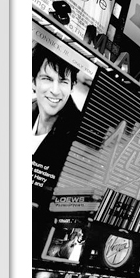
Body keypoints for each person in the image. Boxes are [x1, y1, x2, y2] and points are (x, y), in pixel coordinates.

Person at [32, 44, 84, 255]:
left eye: (63, 81)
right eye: (47, 79)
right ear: (33, 82)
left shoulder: (79, 134)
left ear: (72, 86)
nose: (55, 90)